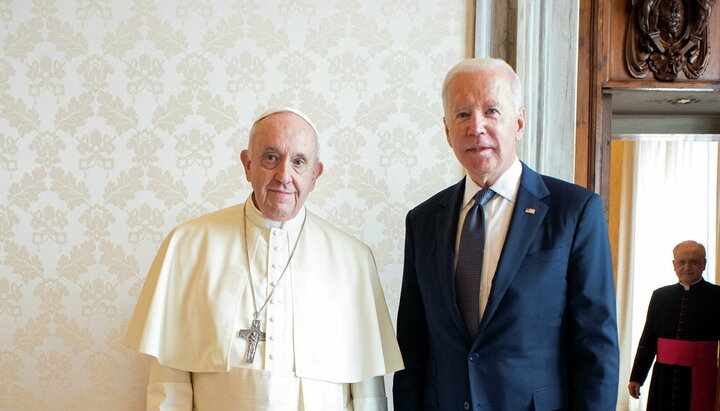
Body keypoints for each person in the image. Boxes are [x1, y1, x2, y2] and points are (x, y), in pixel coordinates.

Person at [125, 108, 403, 410]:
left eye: (298, 162)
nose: (284, 176)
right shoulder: (189, 244)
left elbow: (368, 395)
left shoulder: (353, 259)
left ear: (315, 175)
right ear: (247, 165)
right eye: (271, 157)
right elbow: (169, 381)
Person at [392, 58, 619, 410]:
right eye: (462, 114)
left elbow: (597, 347)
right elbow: (412, 344)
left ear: (519, 121)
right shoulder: (422, 221)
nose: (476, 126)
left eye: (492, 110)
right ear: (447, 130)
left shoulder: (574, 211)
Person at [628, 240, 720, 410]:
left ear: (704, 264)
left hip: (703, 376)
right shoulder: (660, 296)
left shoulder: (717, 296)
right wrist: (637, 377)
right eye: (682, 262)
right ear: (674, 264)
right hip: (664, 376)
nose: (687, 267)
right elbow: (648, 339)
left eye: (693, 261)